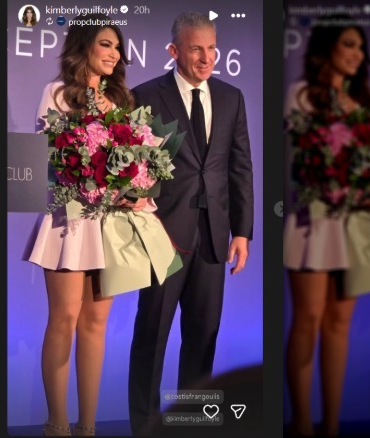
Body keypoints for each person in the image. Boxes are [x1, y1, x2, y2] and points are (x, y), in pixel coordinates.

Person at [127, 11, 255, 436]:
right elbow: (131, 168)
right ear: (174, 51)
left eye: (212, 48)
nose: (207, 57)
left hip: (215, 236)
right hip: (163, 235)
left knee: (204, 337)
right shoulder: (145, 96)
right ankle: (144, 426)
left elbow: (240, 169)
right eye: (197, 48)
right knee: (152, 335)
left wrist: (242, 231)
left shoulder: (232, 96)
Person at [22, 14, 148, 437]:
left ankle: (88, 426)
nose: (115, 54)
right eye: (106, 45)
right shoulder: (56, 94)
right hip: (69, 220)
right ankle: (56, 424)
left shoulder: (123, 104)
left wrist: (134, 186)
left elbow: (133, 164)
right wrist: (89, 173)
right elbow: (45, 157)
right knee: (64, 319)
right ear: (84, 47)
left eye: (117, 47)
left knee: (95, 325)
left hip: (109, 224)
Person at [282, 16, 370, 437]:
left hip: (354, 224)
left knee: (339, 324)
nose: (357, 54)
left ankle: (331, 425)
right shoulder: (301, 96)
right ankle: (303, 424)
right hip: (314, 221)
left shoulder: (366, 102)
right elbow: (297, 161)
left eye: (361, 47)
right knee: (308, 317)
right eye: (349, 44)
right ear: (328, 48)